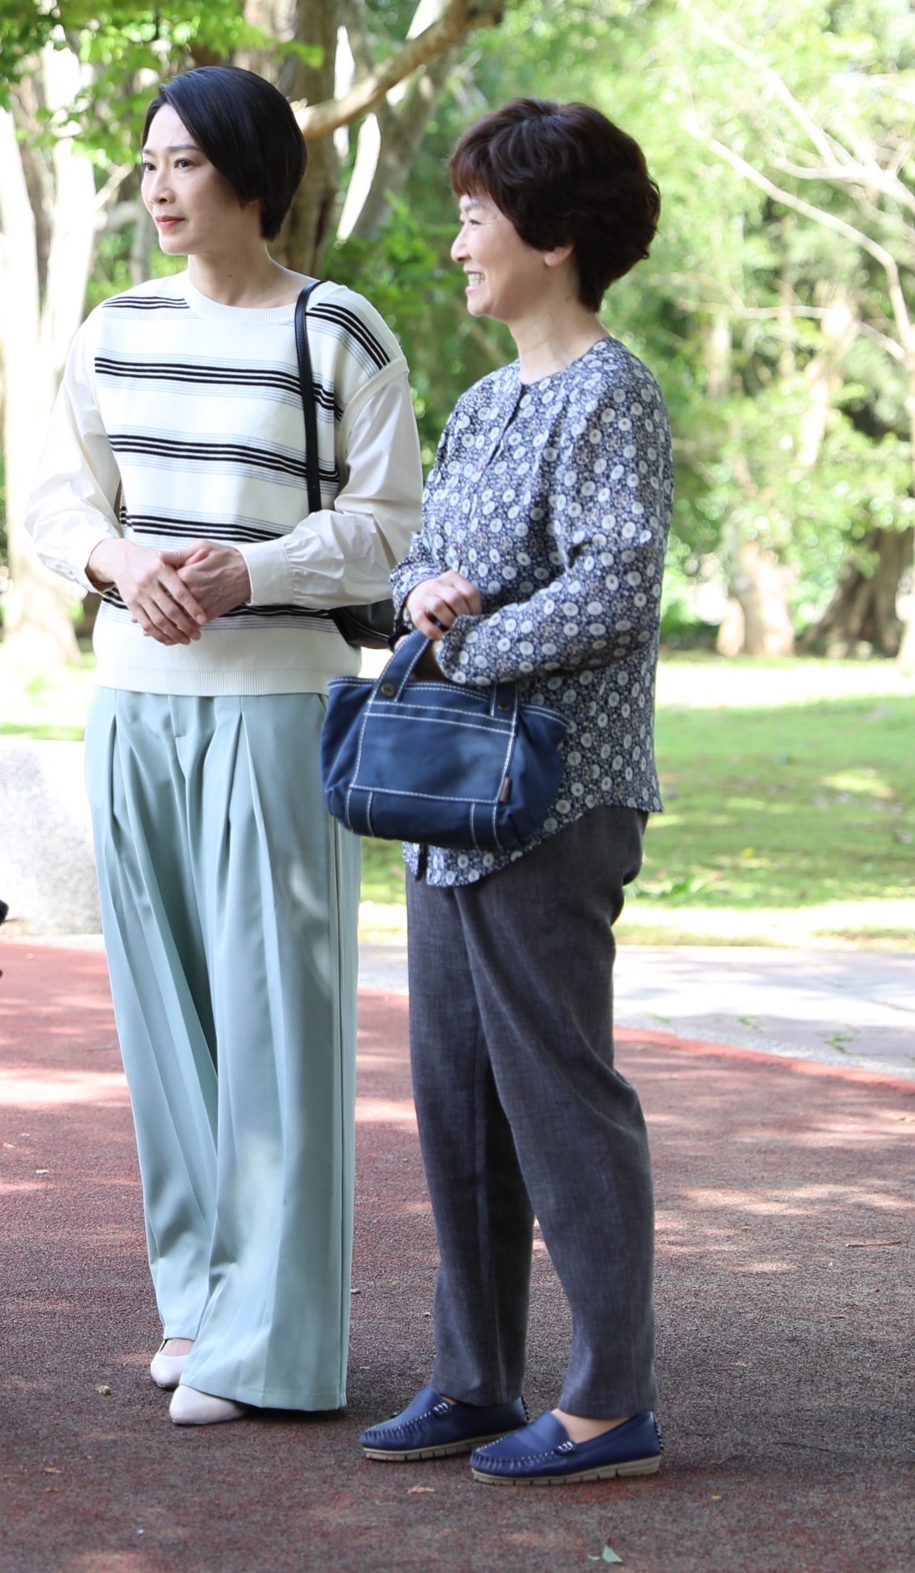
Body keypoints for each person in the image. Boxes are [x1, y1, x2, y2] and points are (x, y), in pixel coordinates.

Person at [26, 65, 424, 1426]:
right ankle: (198, 1311)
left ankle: (275, 1346)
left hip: (275, 705)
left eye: (183, 163)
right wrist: (112, 559)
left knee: (277, 1024)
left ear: (255, 179)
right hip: (131, 699)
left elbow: (386, 527)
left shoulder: (338, 332)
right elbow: (51, 500)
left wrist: (249, 574)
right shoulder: (112, 329)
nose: (154, 185)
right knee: (164, 1020)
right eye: (146, 162)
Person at [357, 98, 673, 1485]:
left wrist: (466, 640)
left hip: (551, 799)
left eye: (476, 215)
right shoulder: (484, 401)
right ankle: (474, 1378)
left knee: (556, 1096)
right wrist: (412, 595)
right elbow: (412, 566)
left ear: (548, 234)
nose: (456, 241)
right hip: (449, 810)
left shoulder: (611, 394)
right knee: (456, 1100)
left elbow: (616, 580)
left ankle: (610, 1402)